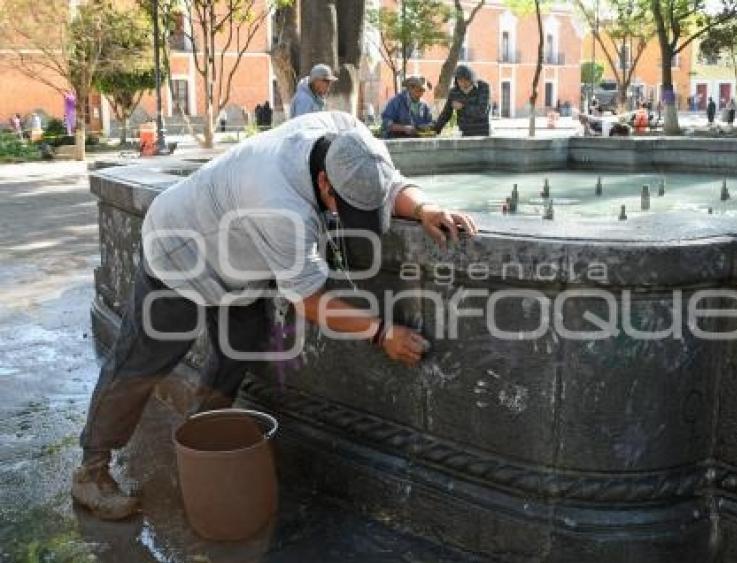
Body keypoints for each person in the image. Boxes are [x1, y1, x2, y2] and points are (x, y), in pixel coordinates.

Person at [71, 111, 478, 520]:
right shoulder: (280, 205)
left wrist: (425, 208)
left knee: (242, 342)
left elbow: (388, 185)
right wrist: (381, 331)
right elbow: (310, 301)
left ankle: (203, 431)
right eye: (345, 208)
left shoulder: (352, 138)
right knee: (142, 361)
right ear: (324, 183)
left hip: (239, 257)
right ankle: (91, 471)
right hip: (181, 248)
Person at [433, 65, 490, 137]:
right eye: (459, 80)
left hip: (482, 133)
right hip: (464, 133)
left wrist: (463, 107)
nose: (463, 83)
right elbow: (446, 114)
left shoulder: (483, 87)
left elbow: (482, 111)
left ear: (472, 79)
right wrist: (434, 130)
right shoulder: (454, 92)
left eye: (466, 80)